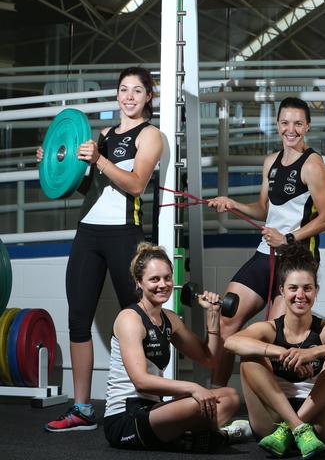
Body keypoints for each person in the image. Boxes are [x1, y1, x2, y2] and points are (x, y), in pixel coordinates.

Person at [42, 67, 164, 432]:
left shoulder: (150, 135)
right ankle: (82, 408)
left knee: (141, 319)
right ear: (117, 95)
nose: (129, 96)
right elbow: (92, 190)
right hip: (88, 233)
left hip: (124, 234)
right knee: (78, 318)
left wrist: (99, 160)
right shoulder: (104, 136)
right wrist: (54, 163)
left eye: (137, 91)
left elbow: (136, 185)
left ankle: (148, 402)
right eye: (124, 90)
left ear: (148, 97)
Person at [207, 96, 325, 386]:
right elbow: (264, 209)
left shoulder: (313, 164)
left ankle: (276, 410)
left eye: (298, 124)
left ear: (307, 127)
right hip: (265, 254)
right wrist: (233, 204)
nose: (291, 129)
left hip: (297, 260)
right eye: (286, 123)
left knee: (275, 336)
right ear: (277, 125)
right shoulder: (271, 162)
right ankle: (216, 399)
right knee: (227, 320)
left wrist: (287, 238)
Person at [225, 244, 325, 459]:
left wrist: (314, 353)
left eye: (307, 288)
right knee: (249, 358)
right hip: (271, 422)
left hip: (317, 424)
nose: (300, 295)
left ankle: (291, 428)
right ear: (282, 291)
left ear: (316, 290)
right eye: (293, 288)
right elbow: (231, 342)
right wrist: (279, 352)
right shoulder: (269, 329)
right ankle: (294, 426)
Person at [102, 243, 241, 452]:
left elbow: (209, 359)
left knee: (230, 397)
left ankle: (192, 436)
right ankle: (210, 434)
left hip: (154, 410)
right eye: (154, 279)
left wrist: (213, 315)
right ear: (138, 282)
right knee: (199, 401)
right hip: (125, 419)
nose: (163, 284)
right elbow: (141, 382)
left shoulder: (170, 319)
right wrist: (193, 387)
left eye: (167, 277)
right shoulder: (129, 319)